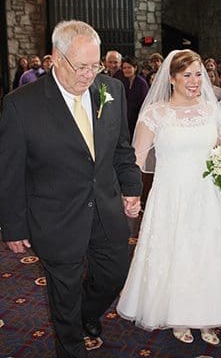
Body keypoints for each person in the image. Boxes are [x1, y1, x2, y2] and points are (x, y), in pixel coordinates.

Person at [0, 20, 142, 358]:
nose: (89, 75)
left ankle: (86, 314)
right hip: (55, 216)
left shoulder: (112, 90)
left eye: (95, 66)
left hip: (105, 210)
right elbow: (10, 171)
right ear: (55, 58)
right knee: (63, 294)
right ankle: (71, 347)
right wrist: (13, 225)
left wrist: (131, 186)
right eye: (81, 66)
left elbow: (121, 147)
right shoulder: (21, 104)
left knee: (113, 275)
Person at [117, 49, 221, 345]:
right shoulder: (155, 114)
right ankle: (178, 315)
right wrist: (131, 194)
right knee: (177, 256)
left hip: (206, 196)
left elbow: (219, 154)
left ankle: (206, 316)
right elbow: (137, 159)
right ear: (172, 78)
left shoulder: (210, 109)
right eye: (187, 75)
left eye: (198, 74)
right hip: (170, 196)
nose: (194, 81)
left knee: (206, 257)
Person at [121, 56, 149, 140]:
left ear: (135, 68)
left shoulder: (141, 83)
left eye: (129, 67)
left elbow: (145, 103)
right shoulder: (122, 82)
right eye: (124, 68)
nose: (126, 70)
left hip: (137, 120)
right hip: (125, 120)